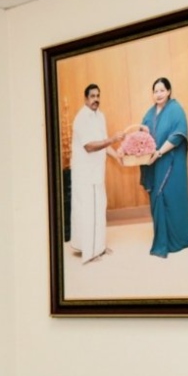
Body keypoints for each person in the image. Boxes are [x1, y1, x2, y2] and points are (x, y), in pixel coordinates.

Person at [139, 77, 188, 258]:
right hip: (153, 165)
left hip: (171, 162)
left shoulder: (176, 109)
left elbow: (178, 135)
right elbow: (142, 138)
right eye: (155, 91)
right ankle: (162, 236)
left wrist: (159, 152)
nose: (159, 94)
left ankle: (177, 238)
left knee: (171, 197)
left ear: (169, 91)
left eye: (162, 90)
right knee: (156, 197)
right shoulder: (149, 114)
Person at [70, 83, 123, 263]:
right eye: (92, 96)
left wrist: (117, 156)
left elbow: (104, 144)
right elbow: (89, 146)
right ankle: (91, 252)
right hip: (85, 174)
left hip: (97, 172)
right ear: (86, 98)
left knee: (99, 208)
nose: (96, 99)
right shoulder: (81, 118)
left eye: (98, 96)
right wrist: (112, 139)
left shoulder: (100, 116)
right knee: (88, 211)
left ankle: (98, 246)